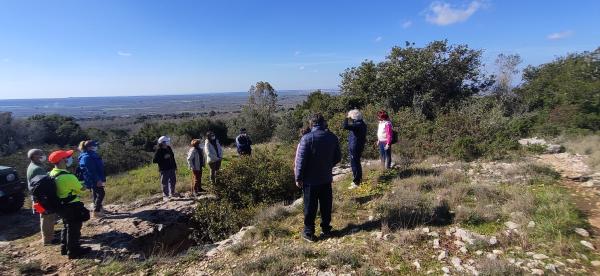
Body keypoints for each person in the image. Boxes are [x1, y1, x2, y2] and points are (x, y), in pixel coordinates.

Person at [295, 113, 341, 242]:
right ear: (323, 122)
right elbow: (338, 157)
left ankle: (309, 232)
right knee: (326, 204)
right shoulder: (332, 137)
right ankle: (326, 228)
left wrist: (298, 177)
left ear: (312, 123)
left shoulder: (307, 138)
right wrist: (327, 165)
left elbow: (301, 161)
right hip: (326, 178)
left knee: (310, 206)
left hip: (310, 180)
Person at [48, 149, 91, 259]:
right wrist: (84, 184)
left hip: (61, 205)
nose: (69, 159)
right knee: (74, 227)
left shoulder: (52, 173)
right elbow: (81, 189)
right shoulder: (67, 176)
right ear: (62, 161)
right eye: (67, 157)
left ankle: (64, 248)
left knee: (67, 225)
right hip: (71, 205)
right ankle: (74, 251)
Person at [26, 149, 60, 245]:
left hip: (37, 197)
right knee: (47, 216)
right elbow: (43, 184)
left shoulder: (33, 166)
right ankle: (48, 240)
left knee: (45, 216)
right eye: (40, 154)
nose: (42, 156)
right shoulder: (37, 169)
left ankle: (48, 236)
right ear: (34, 157)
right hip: (41, 198)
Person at [78, 140, 107, 218]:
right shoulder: (87, 157)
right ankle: (97, 211)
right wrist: (97, 180)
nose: (96, 147)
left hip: (95, 178)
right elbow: (91, 170)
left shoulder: (90, 155)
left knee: (95, 193)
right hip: (93, 179)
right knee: (101, 193)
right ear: (89, 147)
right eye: (95, 145)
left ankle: (98, 207)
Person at [343, 109, 367, 189]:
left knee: (355, 164)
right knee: (356, 163)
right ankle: (358, 180)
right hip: (357, 146)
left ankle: (357, 182)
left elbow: (345, 126)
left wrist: (346, 118)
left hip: (355, 147)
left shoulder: (358, 125)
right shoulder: (362, 123)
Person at [153, 136, 178, 201]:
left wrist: (175, 166)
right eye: (166, 141)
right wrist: (164, 157)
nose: (168, 143)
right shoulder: (159, 150)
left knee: (173, 181)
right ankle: (165, 196)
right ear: (162, 142)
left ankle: (172, 193)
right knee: (164, 182)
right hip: (164, 169)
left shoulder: (169, 148)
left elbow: (172, 158)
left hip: (171, 167)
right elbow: (154, 160)